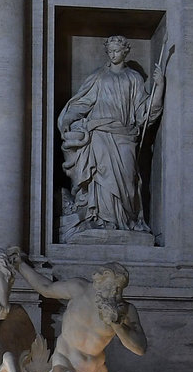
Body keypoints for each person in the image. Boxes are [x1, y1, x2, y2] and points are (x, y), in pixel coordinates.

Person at [56, 35, 172, 234]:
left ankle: (124, 220)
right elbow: (82, 103)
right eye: (110, 51)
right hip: (99, 134)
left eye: (117, 51)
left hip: (124, 136)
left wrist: (159, 86)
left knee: (127, 181)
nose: (113, 54)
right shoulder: (98, 76)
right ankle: (101, 219)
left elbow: (144, 113)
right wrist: (69, 118)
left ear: (125, 52)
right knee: (101, 178)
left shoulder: (134, 78)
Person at [15, 258, 147, 372]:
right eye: (110, 287)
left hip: (95, 370)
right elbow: (46, 288)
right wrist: (20, 265)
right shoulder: (78, 289)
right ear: (98, 282)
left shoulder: (125, 310)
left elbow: (140, 348)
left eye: (119, 289)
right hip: (65, 363)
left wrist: (116, 325)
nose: (115, 293)